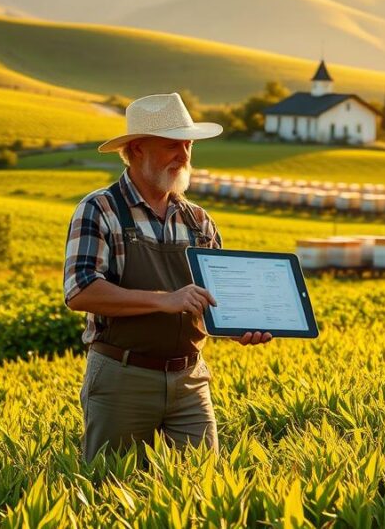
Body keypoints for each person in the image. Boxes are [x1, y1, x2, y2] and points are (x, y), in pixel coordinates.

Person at [63, 92, 272, 463]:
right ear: (137, 149)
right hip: (122, 377)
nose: (184, 154)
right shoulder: (99, 208)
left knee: (202, 484)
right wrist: (165, 299)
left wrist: (239, 326)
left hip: (190, 379)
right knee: (111, 485)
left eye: (188, 144)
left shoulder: (199, 221)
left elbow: (215, 300)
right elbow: (80, 291)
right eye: (172, 145)